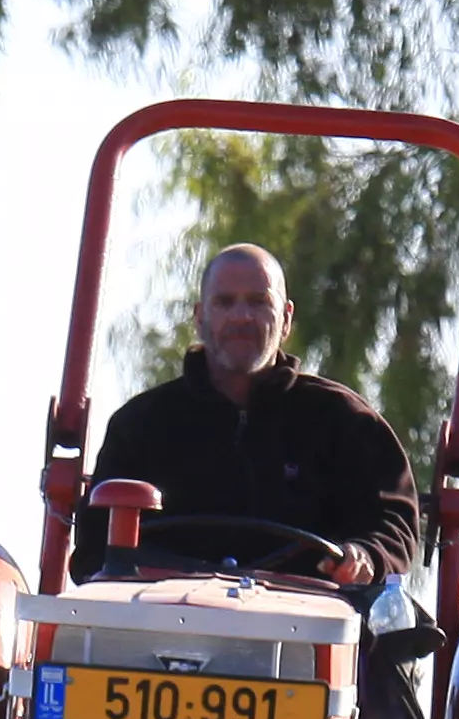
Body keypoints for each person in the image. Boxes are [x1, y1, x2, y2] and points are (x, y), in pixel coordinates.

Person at [88, 244, 424, 589]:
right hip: (164, 623)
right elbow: (94, 550)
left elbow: (392, 525)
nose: (241, 317)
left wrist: (365, 556)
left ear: (286, 318)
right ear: (200, 317)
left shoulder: (345, 422)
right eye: (225, 302)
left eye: (258, 302)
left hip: (308, 621)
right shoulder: (142, 425)